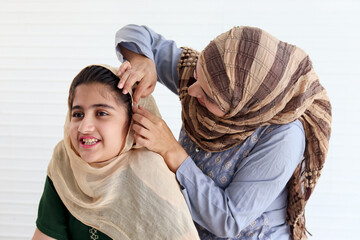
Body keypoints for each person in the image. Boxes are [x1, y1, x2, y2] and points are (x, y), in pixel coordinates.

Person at [114, 25, 332, 240]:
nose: (191, 90)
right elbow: (134, 33)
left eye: (210, 97)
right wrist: (143, 60)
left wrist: (172, 151)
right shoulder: (212, 75)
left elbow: (228, 221)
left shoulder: (284, 137)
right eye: (197, 74)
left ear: (244, 107)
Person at [32, 64, 200, 240]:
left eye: (101, 113)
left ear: (134, 120)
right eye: (78, 114)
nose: (84, 127)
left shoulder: (152, 177)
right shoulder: (66, 161)